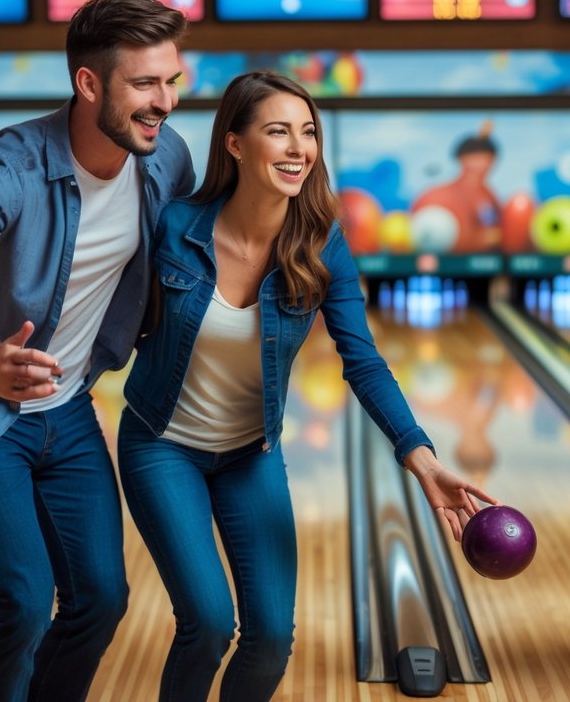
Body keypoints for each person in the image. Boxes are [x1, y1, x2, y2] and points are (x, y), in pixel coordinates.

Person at [118, 71, 496, 702]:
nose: (299, 148)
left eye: (308, 132)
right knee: (209, 623)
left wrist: (422, 458)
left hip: (249, 453)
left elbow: (363, 360)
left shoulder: (321, 244)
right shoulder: (175, 226)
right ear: (235, 144)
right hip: (162, 444)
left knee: (270, 637)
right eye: (278, 132)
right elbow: (108, 310)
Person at [0, 0, 194, 702]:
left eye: (173, 79)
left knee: (100, 598)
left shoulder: (166, 160)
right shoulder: (7, 166)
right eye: (145, 84)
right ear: (88, 83)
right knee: (23, 605)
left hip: (67, 414)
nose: (166, 101)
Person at [411, 120, 502, 253]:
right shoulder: (437, 195)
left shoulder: (489, 196)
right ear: (461, 159)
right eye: (474, 158)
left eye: (485, 159)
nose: (480, 165)